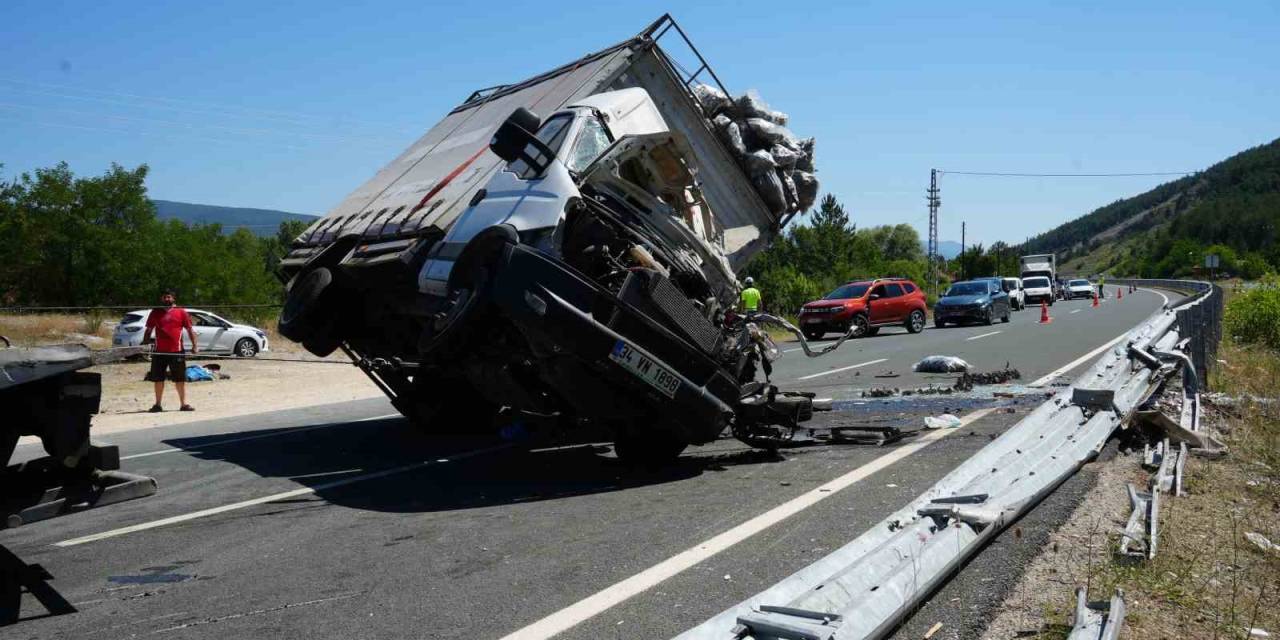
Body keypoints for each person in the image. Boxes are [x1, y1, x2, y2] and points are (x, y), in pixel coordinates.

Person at [142, 289, 198, 412]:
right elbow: (149, 330)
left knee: (180, 378)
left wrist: (195, 346)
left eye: (169, 297)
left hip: (176, 351)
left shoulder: (181, 312)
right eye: (164, 297)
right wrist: (145, 343)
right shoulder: (155, 312)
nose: (167, 299)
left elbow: (190, 330)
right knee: (158, 378)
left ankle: (183, 404)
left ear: (173, 298)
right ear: (161, 299)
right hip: (159, 351)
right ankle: (157, 404)